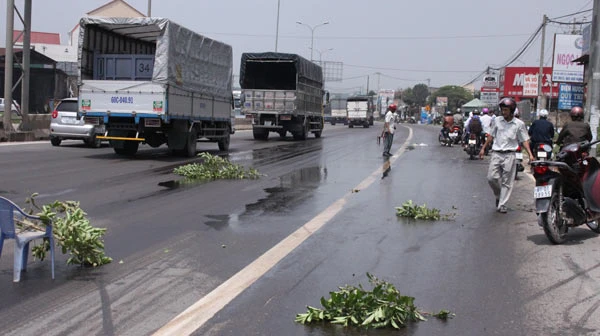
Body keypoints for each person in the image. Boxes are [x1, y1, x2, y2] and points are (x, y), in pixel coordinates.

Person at [479, 97, 534, 213]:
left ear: (512, 110)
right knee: (491, 178)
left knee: (507, 182)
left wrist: (530, 154)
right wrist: (483, 148)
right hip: (496, 153)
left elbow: (524, 140)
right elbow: (491, 136)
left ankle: (502, 204)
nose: (504, 112)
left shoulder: (519, 124)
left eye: (506, 110)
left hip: (510, 155)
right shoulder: (497, 121)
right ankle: (499, 196)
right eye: (502, 110)